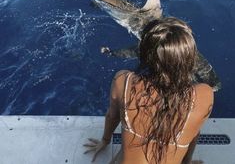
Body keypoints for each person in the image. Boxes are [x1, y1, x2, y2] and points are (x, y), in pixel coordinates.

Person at [83, 17, 214, 164]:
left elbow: (112, 116)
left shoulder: (123, 81)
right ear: (188, 58)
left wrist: (105, 141)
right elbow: (193, 133)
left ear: (145, 54)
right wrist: (187, 162)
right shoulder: (204, 94)